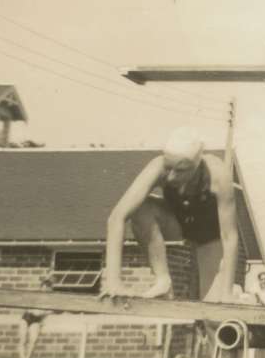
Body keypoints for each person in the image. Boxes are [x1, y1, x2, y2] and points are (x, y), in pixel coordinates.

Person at [101, 127, 239, 303]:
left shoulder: (219, 175)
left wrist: (226, 292)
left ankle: (226, 299)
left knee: (213, 314)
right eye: (168, 168)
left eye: (180, 170)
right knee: (142, 209)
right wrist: (114, 281)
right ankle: (162, 281)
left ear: (196, 167)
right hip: (178, 223)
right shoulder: (157, 167)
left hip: (210, 237)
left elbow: (230, 237)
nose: (172, 177)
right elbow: (116, 217)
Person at [19, 277, 55, 358]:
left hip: (37, 320)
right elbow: (26, 307)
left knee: (33, 340)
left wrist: (43, 315)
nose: (45, 290)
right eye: (44, 288)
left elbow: (49, 312)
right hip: (27, 317)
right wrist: (32, 310)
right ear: (41, 288)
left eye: (47, 288)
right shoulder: (35, 296)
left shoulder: (51, 301)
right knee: (23, 339)